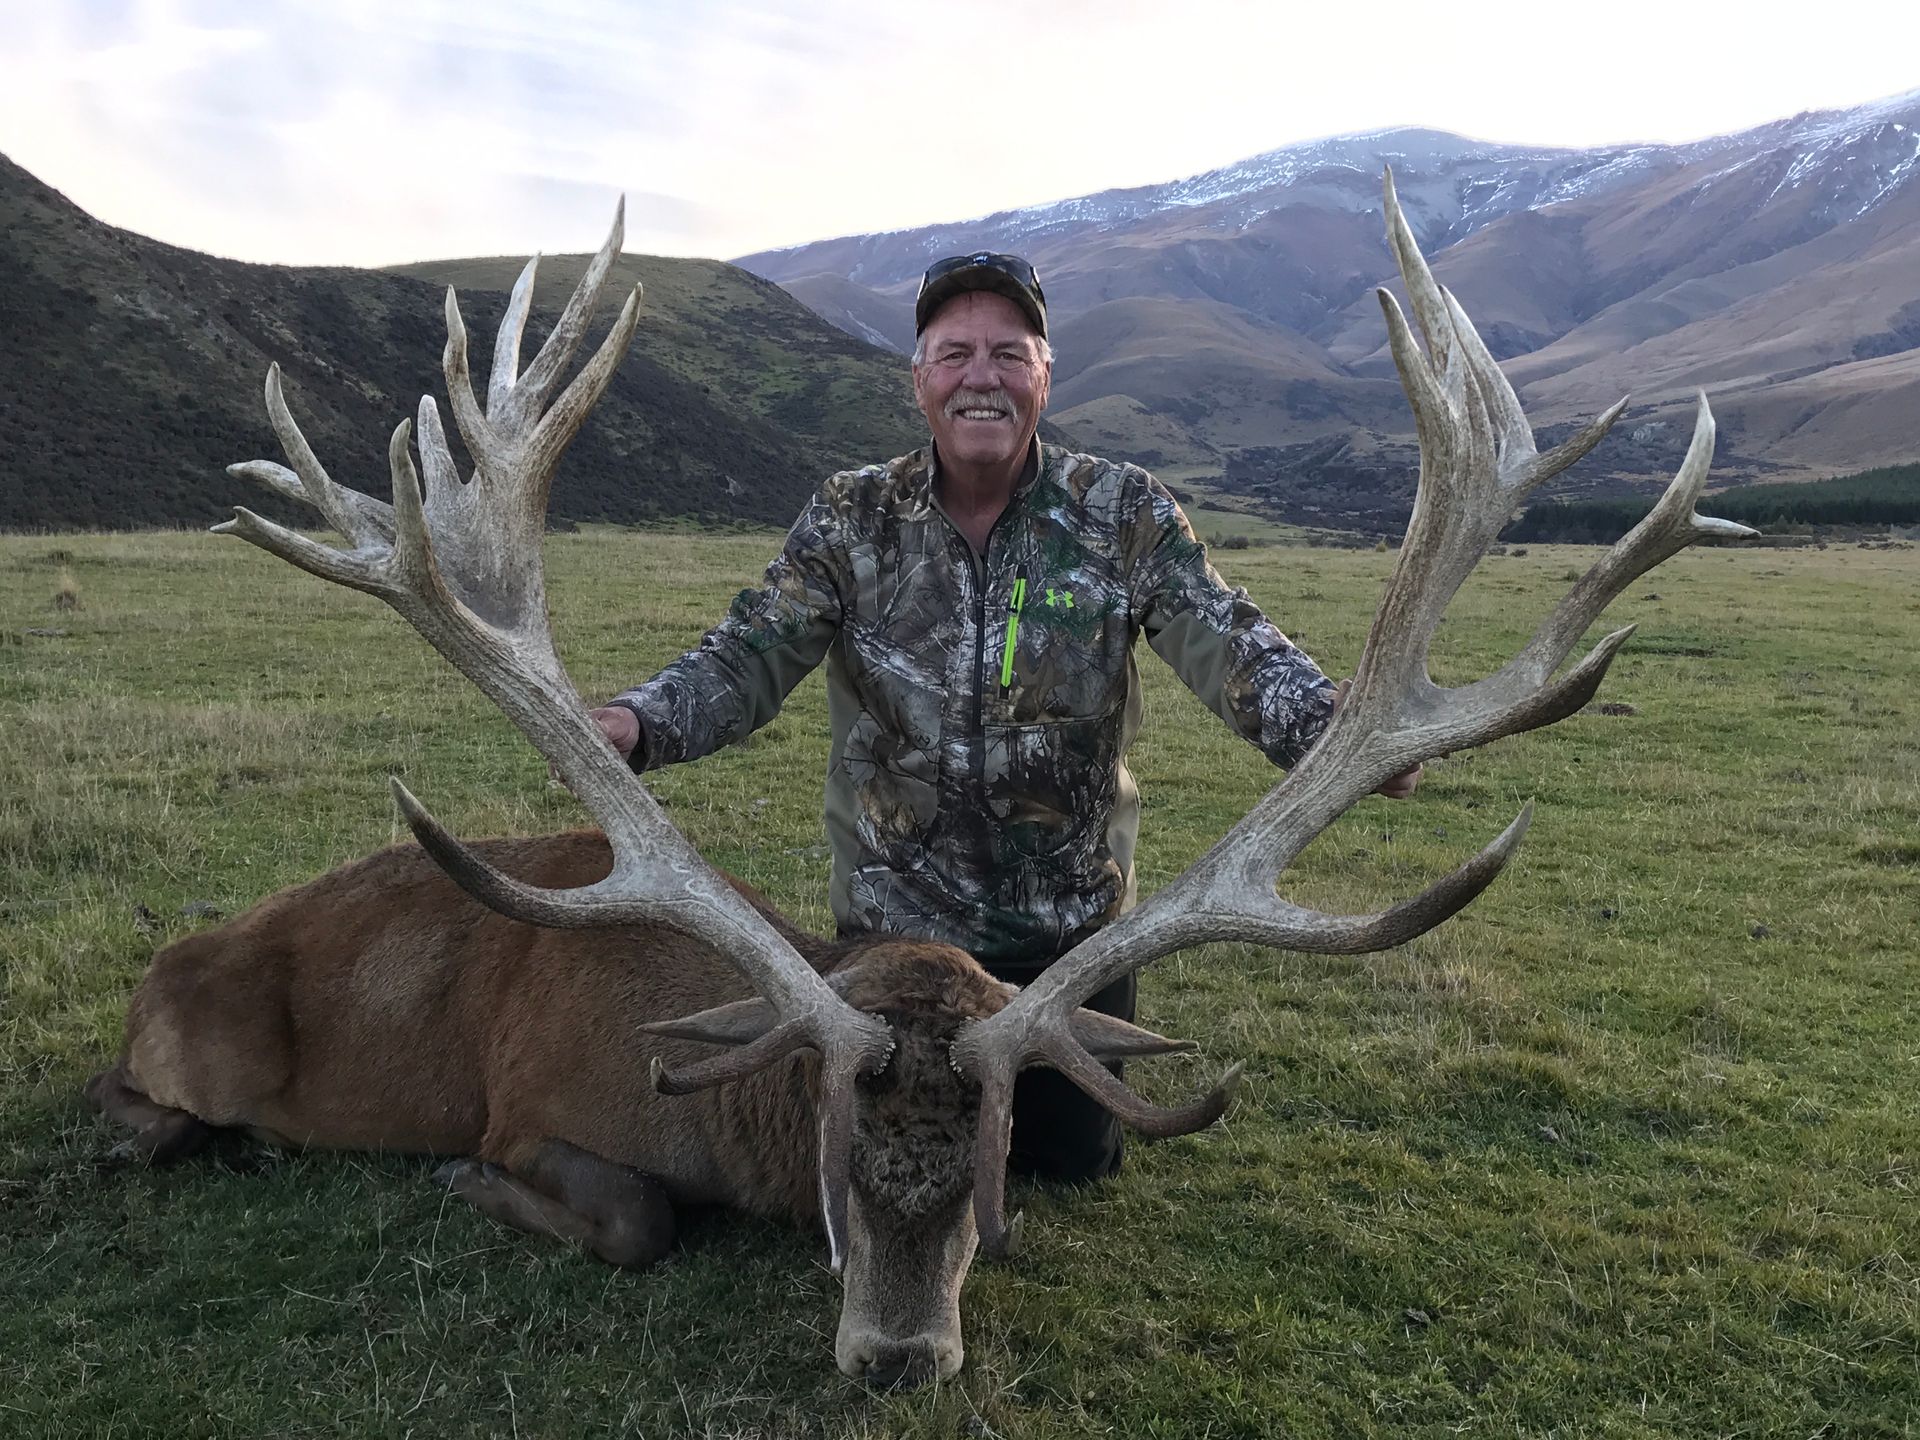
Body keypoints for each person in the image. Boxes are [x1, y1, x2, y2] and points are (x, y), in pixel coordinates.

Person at [589, 253, 1418, 1183]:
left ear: (1044, 375)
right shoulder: (851, 518)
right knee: (886, 1165)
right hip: (893, 950)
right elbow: (749, 654)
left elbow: (1225, 639)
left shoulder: (1122, 513)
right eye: (955, 354)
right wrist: (640, 723)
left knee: (1064, 1167)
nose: (981, 377)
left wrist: (1328, 728)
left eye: (1007, 354)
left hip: (1064, 949)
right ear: (919, 380)